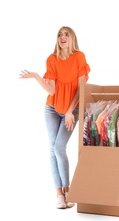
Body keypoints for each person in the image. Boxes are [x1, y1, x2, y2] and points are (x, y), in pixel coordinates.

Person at [19, 26, 91, 209]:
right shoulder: (52, 59)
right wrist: (36, 77)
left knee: (59, 147)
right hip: (51, 108)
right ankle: (59, 194)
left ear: (72, 38)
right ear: (57, 39)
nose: (62, 37)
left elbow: (81, 88)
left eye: (66, 34)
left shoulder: (79, 57)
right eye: (60, 35)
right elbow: (52, 90)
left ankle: (68, 190)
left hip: (72, 109)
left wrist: (69, 111)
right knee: (53, 149)